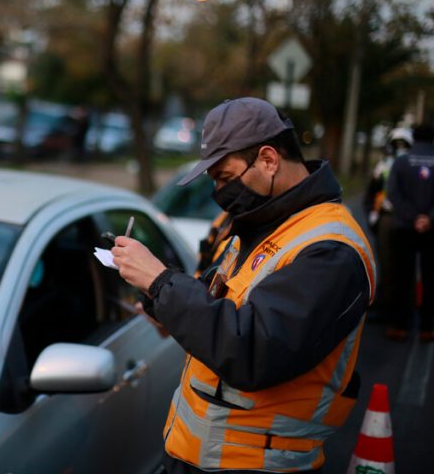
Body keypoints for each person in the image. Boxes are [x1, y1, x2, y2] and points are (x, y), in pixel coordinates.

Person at [111, 97, 376, 473]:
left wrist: (161, 281)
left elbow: (254, 350)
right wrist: (163, 305)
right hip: (193, 455)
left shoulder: (331, 250)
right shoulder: (258, 224)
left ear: (268, 160)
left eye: (225, 177)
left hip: (258, 464)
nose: (220, 192)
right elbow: (219, 310)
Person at [384, 122, 434, 342]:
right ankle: (427, 328)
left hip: (404, 227)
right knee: (430, 279)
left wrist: (412, 217)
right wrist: (428, 218)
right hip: (431, 230)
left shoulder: (401, 162)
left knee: (402, 278)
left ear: (413, 138)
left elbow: (392, 193)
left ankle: (399, 326)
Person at [362, 127, 413, 323]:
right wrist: (372, 214)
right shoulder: (382, 166)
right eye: (396, 144)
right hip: (386, 218)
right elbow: (371, 193)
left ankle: (401, 309)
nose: (400, 148)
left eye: (404, 145)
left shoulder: (413, 166)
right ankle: (385, 305)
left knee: (403, 266)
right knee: (385, 263)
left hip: (406, 220)